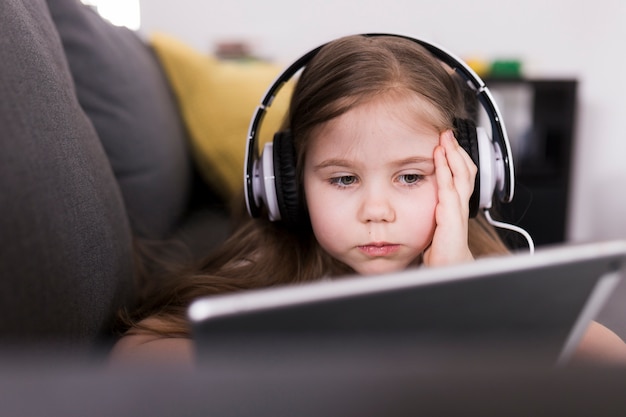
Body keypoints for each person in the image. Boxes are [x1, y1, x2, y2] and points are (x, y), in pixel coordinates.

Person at [110, 34, 626, 366]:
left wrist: (465, 287)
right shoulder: (271, 272)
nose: (375, 211)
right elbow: (135, 354)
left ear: (469, 178)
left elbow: (610, 363)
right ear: (282, 186)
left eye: (409, 177)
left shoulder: (479, 270)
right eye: (342, 180)